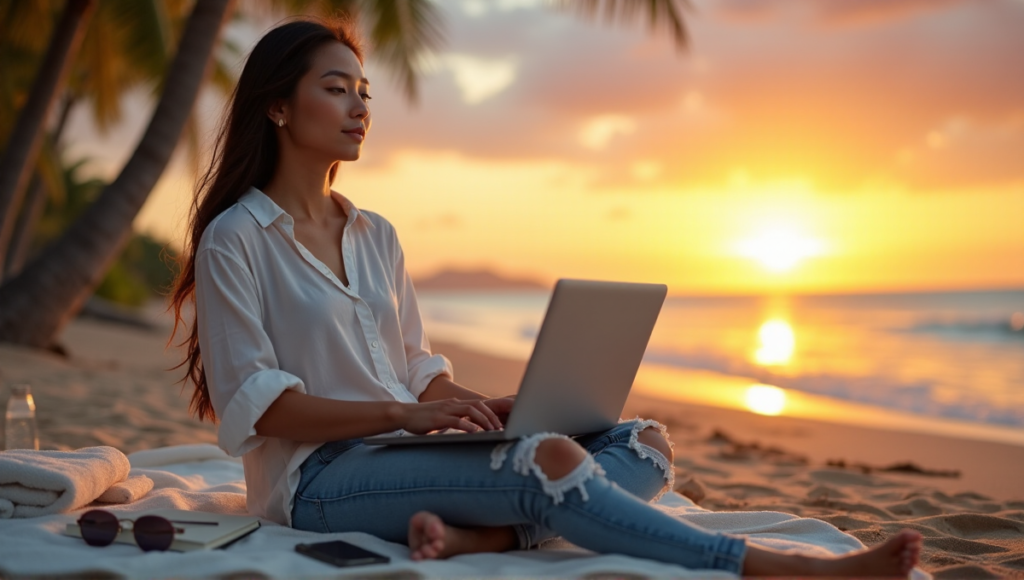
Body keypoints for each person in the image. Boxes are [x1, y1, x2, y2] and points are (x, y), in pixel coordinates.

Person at [170, 16, 922, 577]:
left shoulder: (376, 234)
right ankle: (774, 568)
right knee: (550, 461)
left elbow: (413, 366)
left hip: (401, 451)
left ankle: (488, 538)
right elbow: (261, 406)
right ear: (277, 107)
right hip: (318, 481)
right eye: (335, 90)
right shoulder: (235, 240)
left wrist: (475, 406)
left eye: (364, 91)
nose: (359, 106)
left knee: (643, 441)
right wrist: (407, 413)